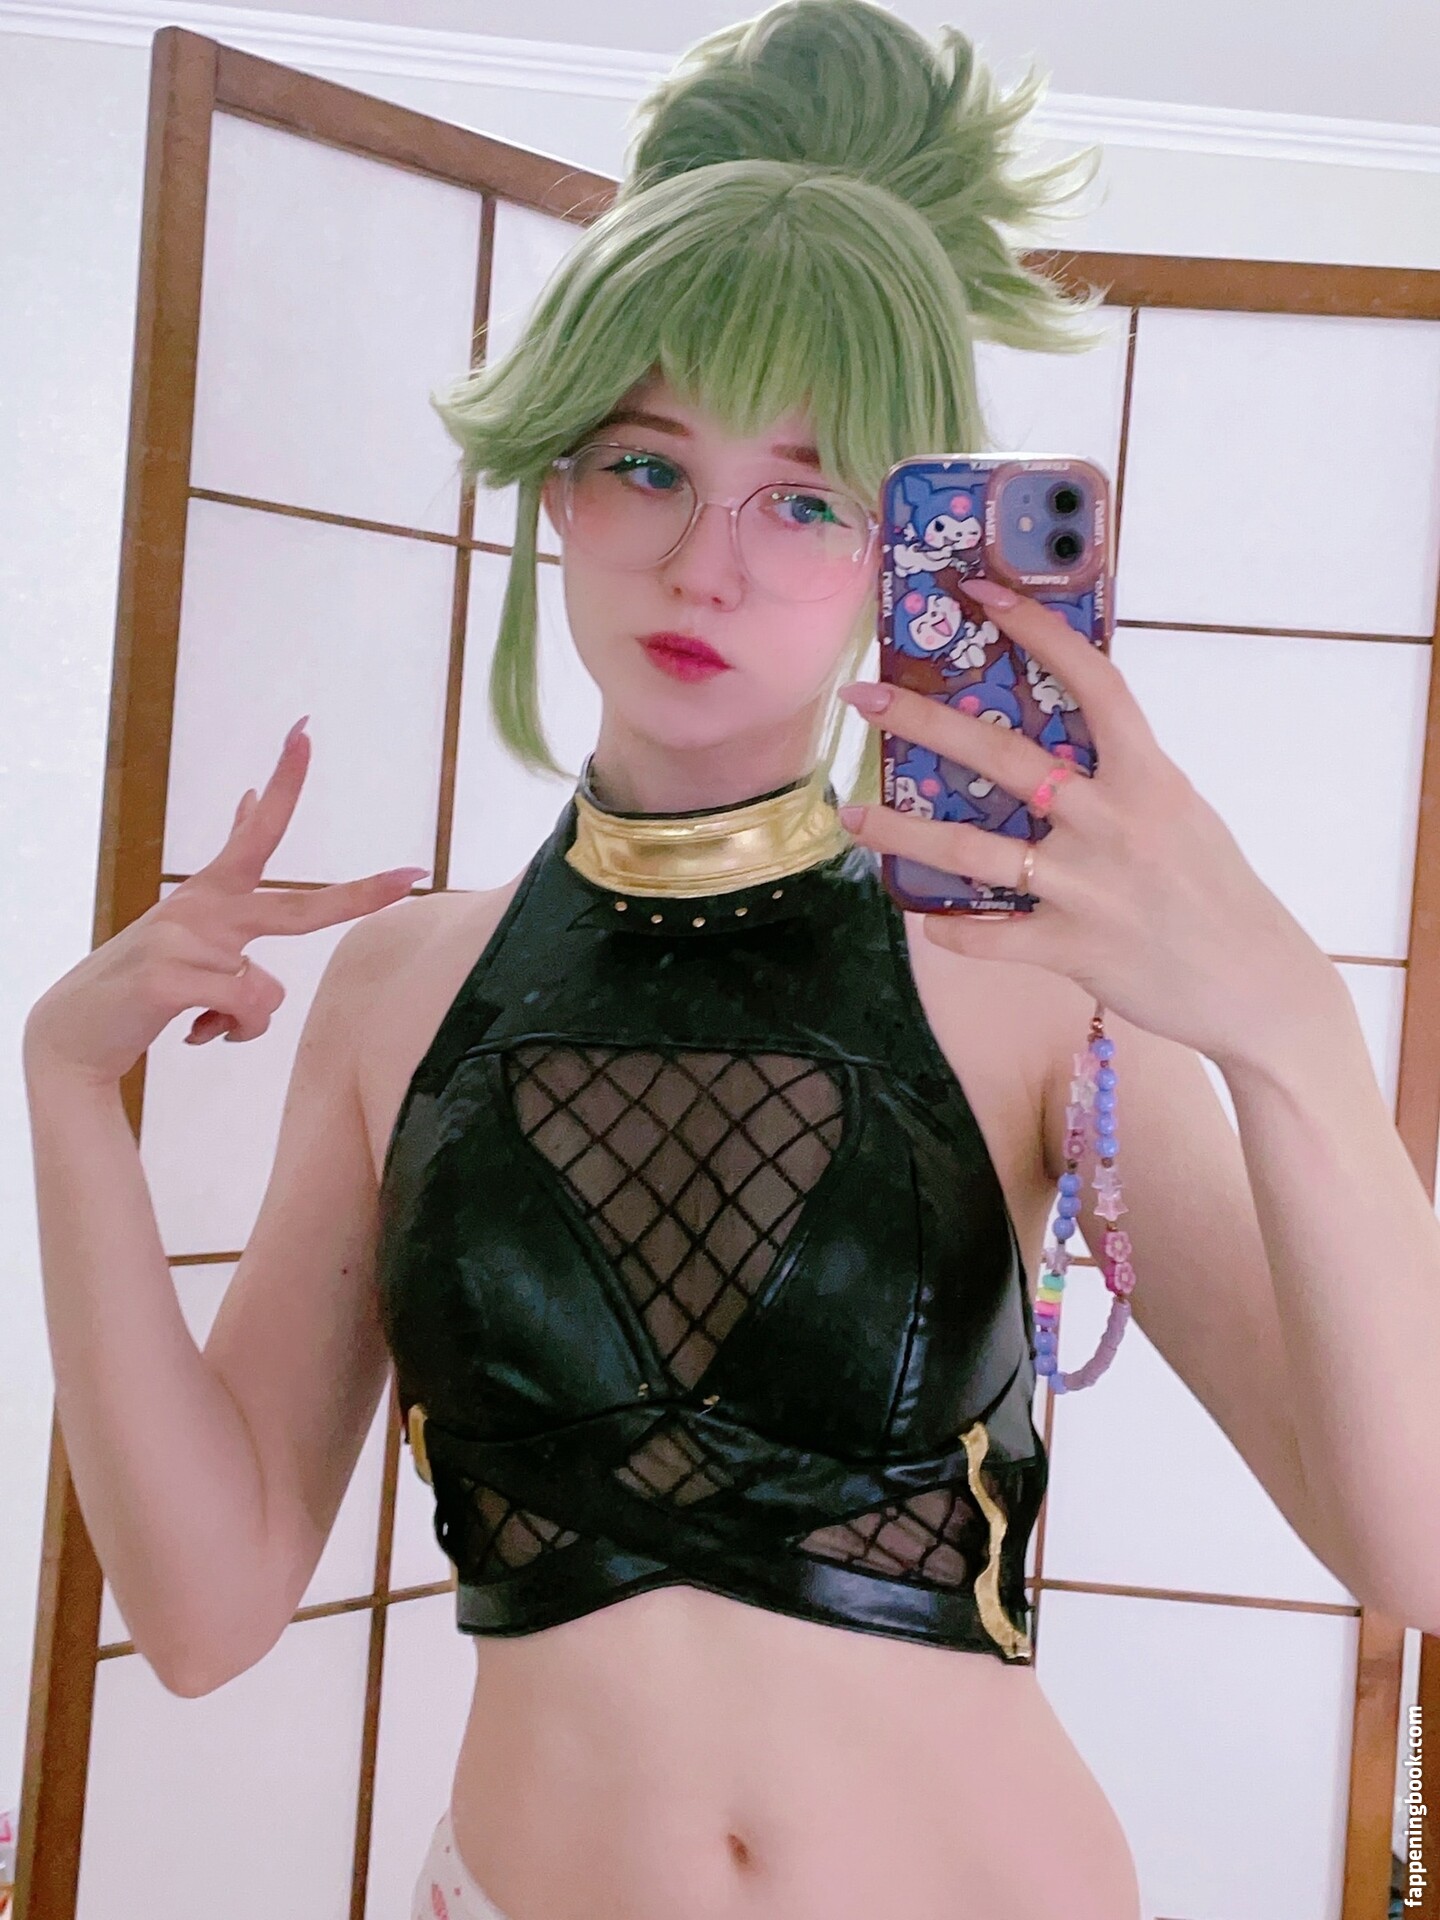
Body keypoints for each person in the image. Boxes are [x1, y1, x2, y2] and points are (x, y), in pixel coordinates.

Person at [24, 4, 1440, 1919]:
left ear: (906, 552)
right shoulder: (398, 993)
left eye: (808, 497)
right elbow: (204, 1617)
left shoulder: (1025, 980)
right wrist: (67, 1089)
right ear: (555, 478)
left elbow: (1417, 1550)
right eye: (646, 464)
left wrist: (1288, 1028)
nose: (708, 562)